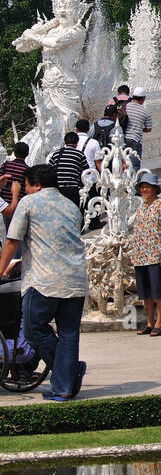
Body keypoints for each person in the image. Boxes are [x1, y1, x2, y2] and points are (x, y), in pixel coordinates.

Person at [0, 164, 89, 402]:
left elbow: (11, 241)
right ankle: (63, 385)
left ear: (36, 185)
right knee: (69, 334)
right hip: (76, 280)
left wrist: (0, 271)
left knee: (32, 331)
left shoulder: (29, 203)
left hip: (44, 281)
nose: (26, 190)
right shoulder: (71, 206)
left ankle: (67, 375)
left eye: (27, 185)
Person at [128, 171, 161, 335]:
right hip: (141, 256)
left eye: (148, 187)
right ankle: (149, 321)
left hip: (155, 254)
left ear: (155, 189)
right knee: (145, 292)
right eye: (142, 187)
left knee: (158, 290)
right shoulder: (141, 207)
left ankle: (159, 322)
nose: (145, 190)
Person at [48, 132, 87, 211]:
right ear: (77, 143)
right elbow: (87, 171)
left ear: (65, 142)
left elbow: (49, 168)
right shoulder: (79, 154)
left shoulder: (56, 154)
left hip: (58, 189)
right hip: (73, 188)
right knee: (74, 211)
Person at [123, 86, 152, 168]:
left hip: (123, 138)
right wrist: (140, 129)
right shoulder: (145, 112)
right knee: (134, 164)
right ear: (143, 99)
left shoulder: (126, 106)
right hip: (135, 139)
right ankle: (134, 180)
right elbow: (148, 128)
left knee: (123, 161)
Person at [0, 142, 29, 219]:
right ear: (27, 154)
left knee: (8, 226)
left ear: (14, 153)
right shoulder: (27, 170)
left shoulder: (5, 166)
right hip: (19, 203)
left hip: (4, 202)